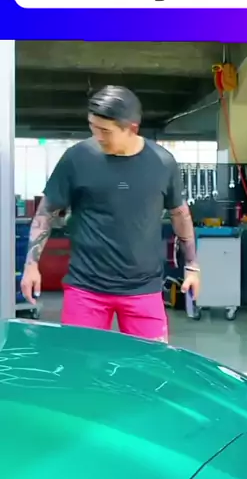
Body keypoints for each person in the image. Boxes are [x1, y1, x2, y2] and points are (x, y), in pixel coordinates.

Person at [21, 86, 200, 342]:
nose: (98, 136)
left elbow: (180, 214)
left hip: (143, 289)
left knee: (149, 362)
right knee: (81, 361)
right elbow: (46, 212)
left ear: (132, 128)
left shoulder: (162, 162)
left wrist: (192, 267)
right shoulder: (77, 158)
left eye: (105, 131)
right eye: (93, 127)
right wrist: (31, 265)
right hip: (86, 289)